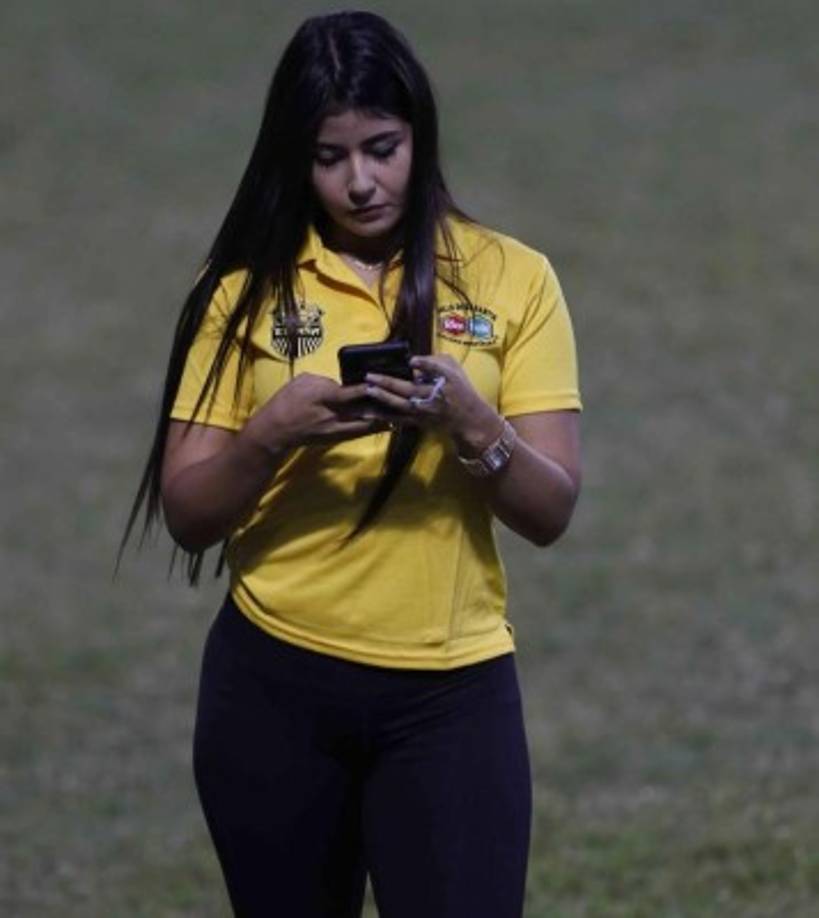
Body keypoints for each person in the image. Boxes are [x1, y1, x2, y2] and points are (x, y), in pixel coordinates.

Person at [121, 10, 581, 918]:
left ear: (420, 137)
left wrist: (472, 423)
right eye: (331, 157)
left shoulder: (511, 278)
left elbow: (550, 511)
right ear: (296, 157)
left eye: (383, 147)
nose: (361, 182)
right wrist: (271, 435)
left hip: (451, 698)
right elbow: (187, 513)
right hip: (272, 690)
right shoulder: (244, 292)